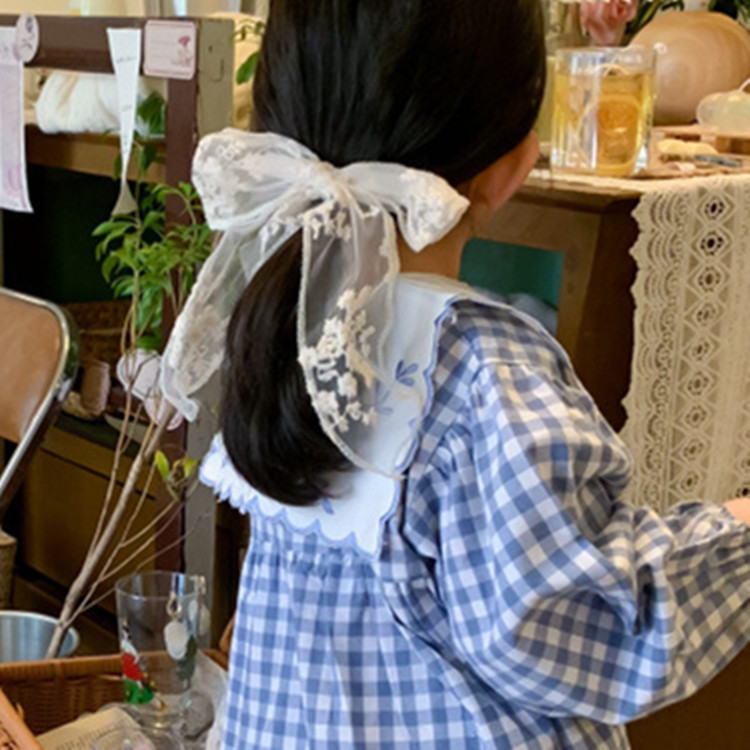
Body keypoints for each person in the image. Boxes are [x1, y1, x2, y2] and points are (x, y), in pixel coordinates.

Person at [160, 0, 750, 747]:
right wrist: (737, 529)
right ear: (514, 167)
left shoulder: (285, 324)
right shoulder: (486, 373)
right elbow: (591, 632)